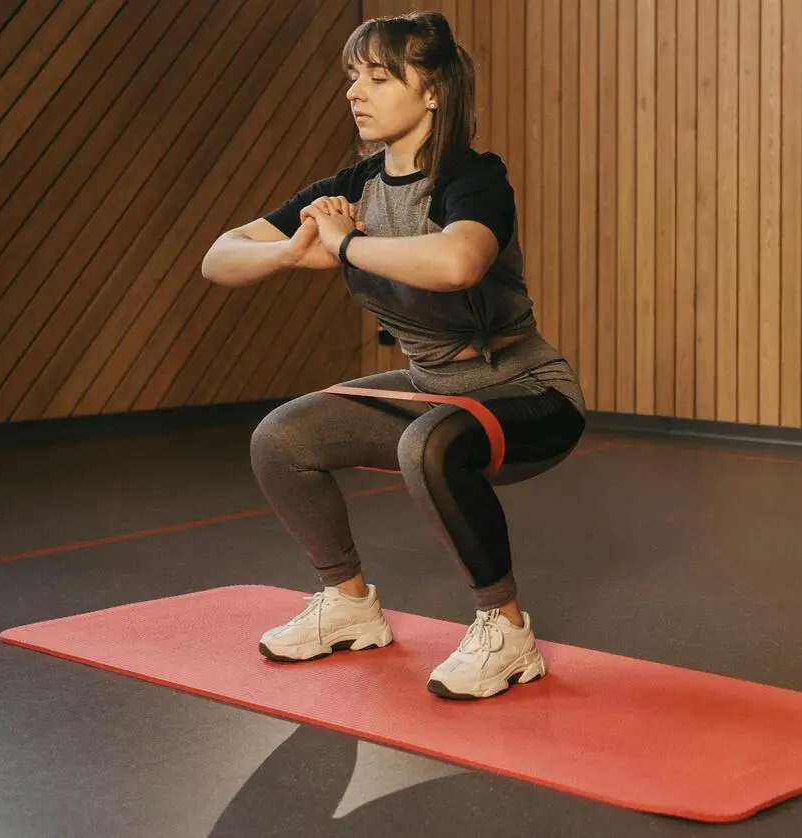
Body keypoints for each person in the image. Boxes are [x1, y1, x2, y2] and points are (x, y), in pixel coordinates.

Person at [201, 11, 586, 700]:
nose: (356, 93)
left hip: (526, 390)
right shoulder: (350, 189)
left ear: (432, 90)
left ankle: (506, 632)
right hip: (433, 385)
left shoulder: (474, 178)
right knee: (282, 438)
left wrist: (344, 246)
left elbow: (458, 261)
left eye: (378, 78)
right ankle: (348, 604)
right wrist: (289, 252)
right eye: (353, 78)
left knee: (426, 444)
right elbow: (218, 257)